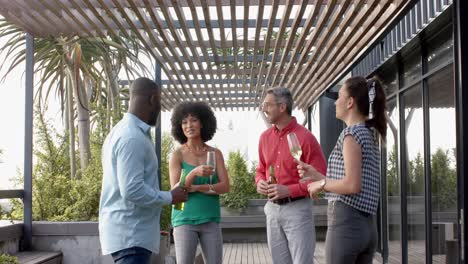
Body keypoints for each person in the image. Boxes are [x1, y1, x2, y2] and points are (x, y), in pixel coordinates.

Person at [99, 77, 188, 264]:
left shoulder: (122, 132)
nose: (159, 108)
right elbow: (132, 190)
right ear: (153, 99)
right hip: (132, 237)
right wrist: (170, 197)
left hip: (130, 237)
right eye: (160, 101)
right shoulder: (131, 137)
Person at [298, 76, 386, 264]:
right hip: (368, 227)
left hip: (347, 224)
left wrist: (320, 184)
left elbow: (352, 185)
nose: (336, 102)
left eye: (339, 96)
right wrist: (316, 175)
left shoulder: (350, 134)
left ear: (350, 102)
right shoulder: (368, 134)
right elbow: (349, 181)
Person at [255, 87, 327, 264]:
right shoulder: (264, 137)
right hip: (272, 209)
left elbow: (321, 177)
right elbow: (260, 169)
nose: (264, 109)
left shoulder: (306, 137)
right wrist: (260, 182)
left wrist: (289, 190)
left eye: (267, 105)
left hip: (298, 210)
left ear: (282, 107)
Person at [169, 101, 230, 264]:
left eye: (193, 120)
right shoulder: (177, 155)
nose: (189, 125)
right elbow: (176, 191)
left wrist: (196, 187)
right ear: (179, 127)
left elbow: (225, 186)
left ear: (203, 123)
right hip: (184, 219)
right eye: (184, 122)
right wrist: (194, 173)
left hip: (210, 219)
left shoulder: (215, 153)